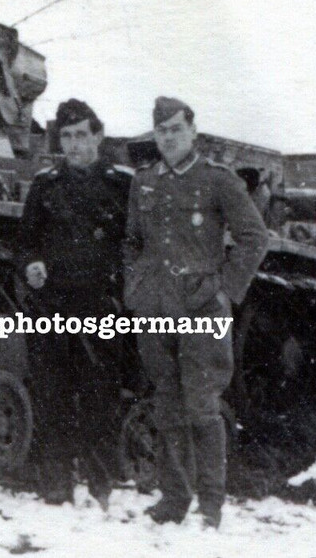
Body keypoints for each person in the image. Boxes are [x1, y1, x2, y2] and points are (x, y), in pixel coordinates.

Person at [123, 96, 268, 528]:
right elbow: (132, 241)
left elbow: (254, 237)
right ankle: (174, 499)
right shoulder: (143, 182)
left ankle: (211, 505)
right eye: (161, 131)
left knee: (203, 406)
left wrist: (225, 291)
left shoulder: (217, 180)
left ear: (193, 132)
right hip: (155, 307)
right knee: (167, 404)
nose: (169, 138)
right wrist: (136, 284)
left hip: (202, 307)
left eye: (176, 129)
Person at [17, 99, 132, 509]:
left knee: (100, 394)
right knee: (52, 394)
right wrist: (30, 264)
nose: (74, 144)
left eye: (81, 135)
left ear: (98, 136)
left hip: (101, 302)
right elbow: (26, 241)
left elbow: (136, 242)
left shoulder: (122, 185)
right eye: (66, 136)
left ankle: (100, 484)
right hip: (53, 303)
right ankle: (56, 484)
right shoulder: (45, 184)